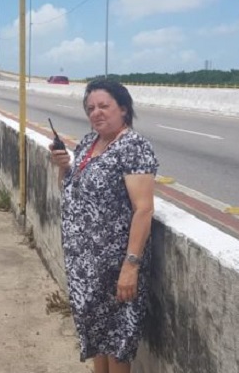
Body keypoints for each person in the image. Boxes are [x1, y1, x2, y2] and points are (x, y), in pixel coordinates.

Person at [48, 79, 158, 373]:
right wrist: (63, 168)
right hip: (84, 267)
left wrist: (130, 265)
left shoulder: (133, 147)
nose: (96, 113)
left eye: (104, 106)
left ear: (123, 108)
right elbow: (70, 190)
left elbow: (144, 209)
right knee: (96, 338)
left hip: (115, 267)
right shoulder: (88, 143)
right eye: (90, 108)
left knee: (117, 344)